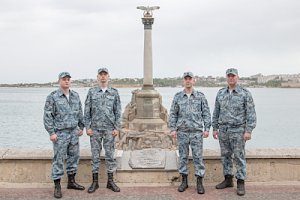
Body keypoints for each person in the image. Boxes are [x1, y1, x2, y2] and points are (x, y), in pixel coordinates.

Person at [212, 68, 257, 196]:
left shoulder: (245, 93)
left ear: (237, 77)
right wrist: (215, 128)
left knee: (239, 156)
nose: (231, 78)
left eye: (233, 76)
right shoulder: (220, 93)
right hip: (224, 130)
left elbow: (251, 113)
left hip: (238, 130)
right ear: (226, 77)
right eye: (229, 76)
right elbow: (216, 112)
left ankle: (241, 182)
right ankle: (228, 179)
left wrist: (249, 130)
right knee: (225, 156)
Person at [43, 72, 85, 199]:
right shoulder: (53, 97)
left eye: (68, 79)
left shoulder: (75, 96)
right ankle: (57, 186)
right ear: (59, 81)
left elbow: (80, 113)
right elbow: (47, 116)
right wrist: (51, 132)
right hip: (60, 133)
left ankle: (71, 182)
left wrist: (81, 127)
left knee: (74, 157)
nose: (67, 81)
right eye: (64, 79)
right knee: (59, 159)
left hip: (73, 132)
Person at [168, 72, 211, 194]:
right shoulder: (178, 96)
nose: (188, 81)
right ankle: (184, 181)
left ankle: (199, 182)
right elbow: (173, 114)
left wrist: (207, 129)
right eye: (186, 79)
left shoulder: (200, 96)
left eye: (190, 79)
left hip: (196, 132)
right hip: (182, 132)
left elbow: (206, 113)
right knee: (183, 157)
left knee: (198, 157)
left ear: (194, 81)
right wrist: (172, 129)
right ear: (183, 81)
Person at [84, 67, 121, 193]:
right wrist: (87, 127)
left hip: (109, 129)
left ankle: (110, 182)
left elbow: (117, 111)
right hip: (95, 129)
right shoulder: (92, 92)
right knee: (95, 156)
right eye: (101, 74)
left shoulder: (114, 92)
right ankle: (95, 183)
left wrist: (117, 128)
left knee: (110, 155)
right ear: (97, 77)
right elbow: (87, 111)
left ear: (108, 76)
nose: (103, 77)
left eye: (105, 74)